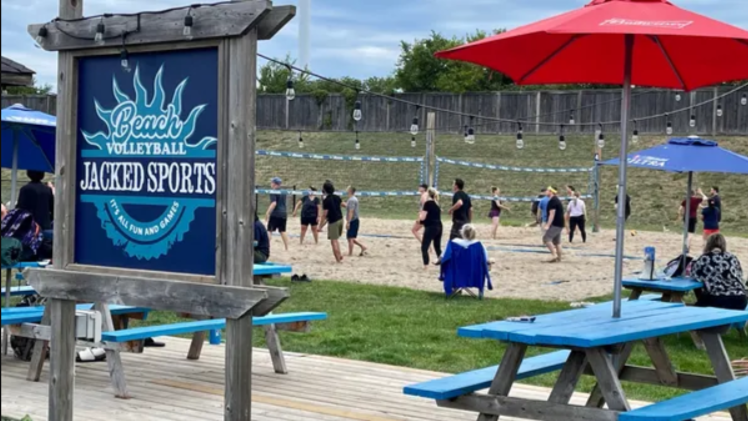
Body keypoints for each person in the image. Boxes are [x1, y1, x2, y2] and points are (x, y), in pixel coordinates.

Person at [691, 233, 746, 311]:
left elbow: (694, 275)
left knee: (696, 310)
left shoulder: (704, 258)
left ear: (708, 245)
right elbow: (739, 274)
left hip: (719, 299)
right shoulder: (732, 257)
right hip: (740, 298)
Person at [319, 181, 344, 263]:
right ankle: (339, 255)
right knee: (336, 239)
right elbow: (344, 205)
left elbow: (324, 214)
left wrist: (320, 226)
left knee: (333, 241)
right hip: (341, 219)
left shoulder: (326, 200)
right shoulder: (337, 197)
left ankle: (338, 260)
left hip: (333, 221)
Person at [419, 188, 442, 269]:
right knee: (437, 246)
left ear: (428, 194)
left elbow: (423, 217)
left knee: (424, 247)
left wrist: (420, 217)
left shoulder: (427, 203)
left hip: (431, 227)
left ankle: (426, 265)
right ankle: (443, 262)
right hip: (439, 226)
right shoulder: (437, 204)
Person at [265, 177, 290, 251]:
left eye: (272, 182)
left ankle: (266, 247)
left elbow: (274, 203)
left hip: (275, 213)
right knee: (283, 231)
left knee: (270, 230)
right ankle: (287, 248)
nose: (271, 183)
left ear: (274, 184)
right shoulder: (283, 192)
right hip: (283, 213)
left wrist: (267, 212)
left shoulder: (273, 191)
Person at [543, 187, 565, 263]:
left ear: (551, 192)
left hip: (556, 223)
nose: (546, 192)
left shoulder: (553, 201)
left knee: (546, 239)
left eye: (547, 190)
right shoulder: (556, 200)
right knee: (557, 242)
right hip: (560, 223)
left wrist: (548, 225)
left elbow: (552, 214)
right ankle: (559, 258)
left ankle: (554, 255)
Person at [344, 186, 367, 257]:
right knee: (350, 237)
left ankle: (350, 253)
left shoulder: (352, 200)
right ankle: (362, 246)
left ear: (350, 190)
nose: (346, 189)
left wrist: (348, 222)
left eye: (347, 188)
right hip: (354, 220)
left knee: (350, 238)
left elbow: (351, 211)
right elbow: (349, 208)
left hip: (353, 220)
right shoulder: (352, 199)